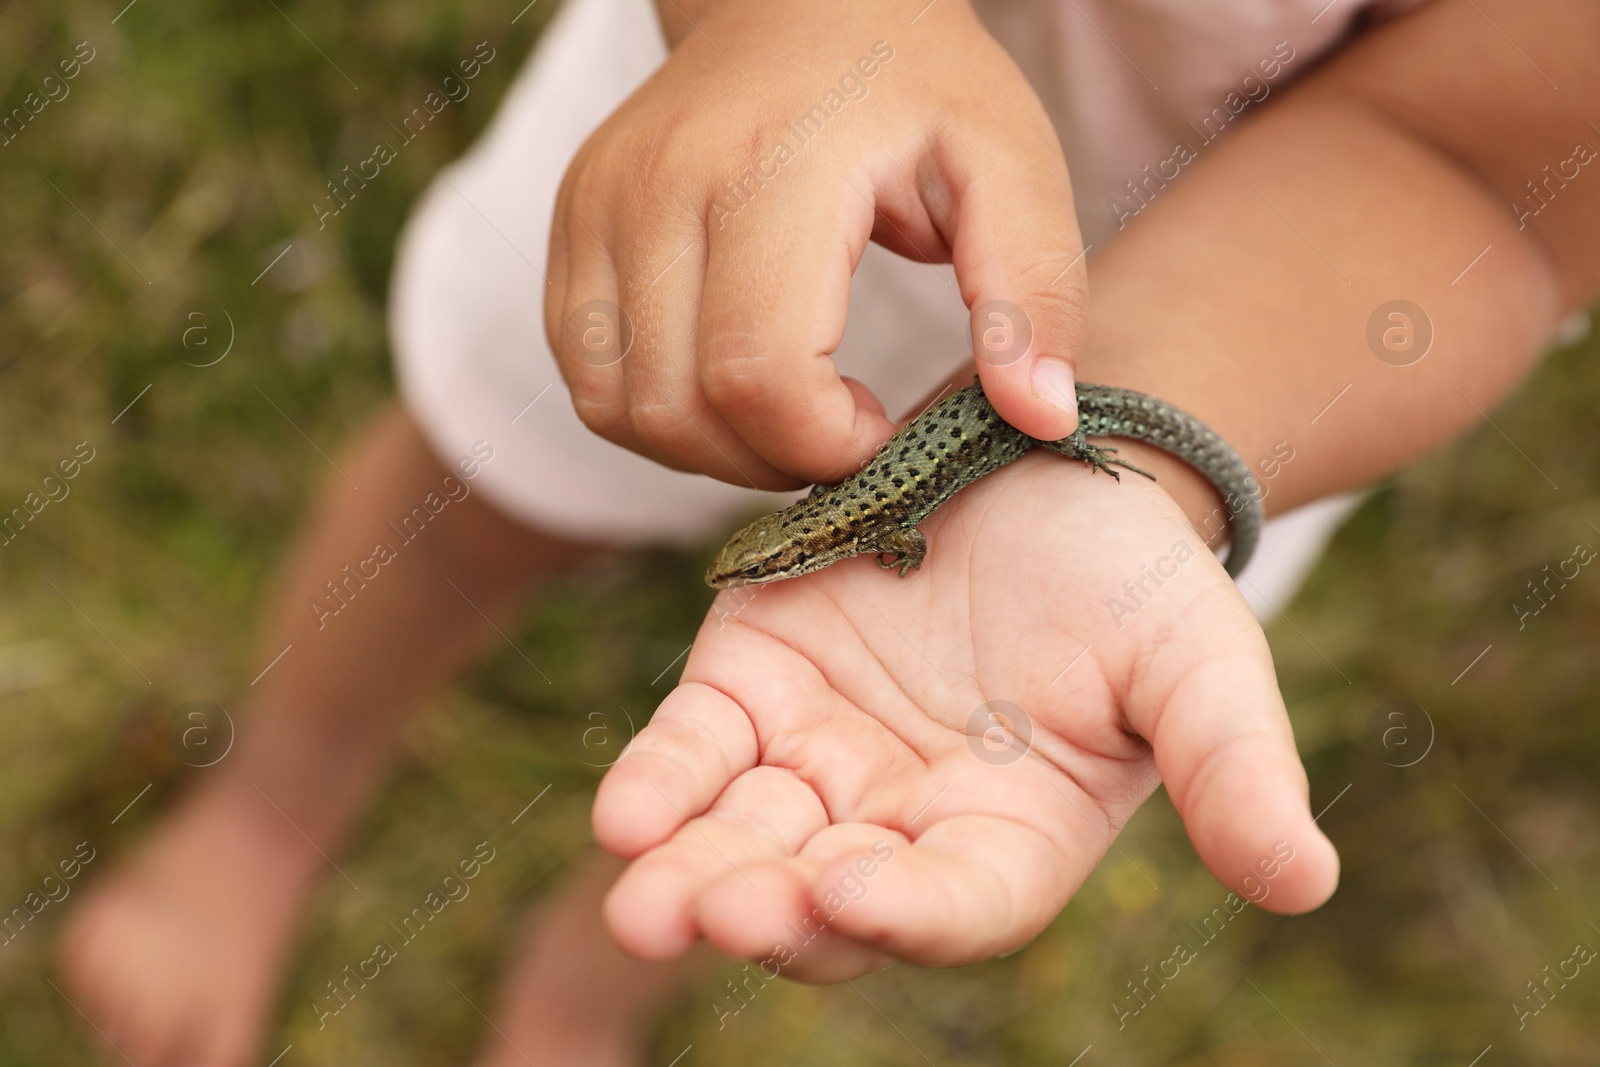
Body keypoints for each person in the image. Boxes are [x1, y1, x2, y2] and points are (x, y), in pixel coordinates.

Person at [59, 0, 1599, 1063]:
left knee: (799, 826)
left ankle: (592, 994)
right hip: (741, 139)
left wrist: (1120, 440)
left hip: (1230, 347)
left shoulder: (884, 522)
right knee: (478, 487)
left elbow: (1488, 171)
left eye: (778, 559)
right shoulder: (861, 522)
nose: (774, 561)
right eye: (775, 558)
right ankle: (273, 804)